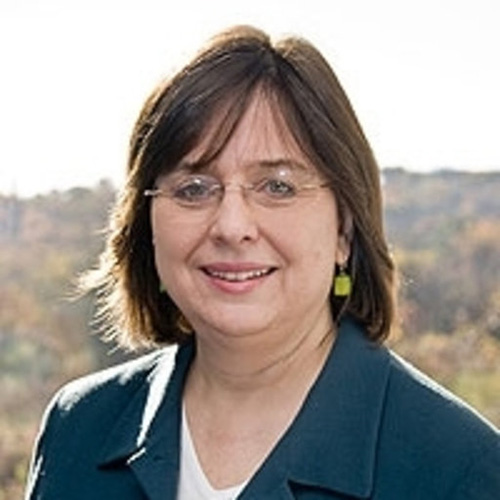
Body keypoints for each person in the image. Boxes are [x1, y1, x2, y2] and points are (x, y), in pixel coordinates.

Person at [25, 25, 499, 500]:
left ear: (344, 230)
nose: (232, 226)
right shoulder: (78, 429)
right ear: (146, 225)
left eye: (278, 187)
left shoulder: (460, 469)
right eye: (194, 188)